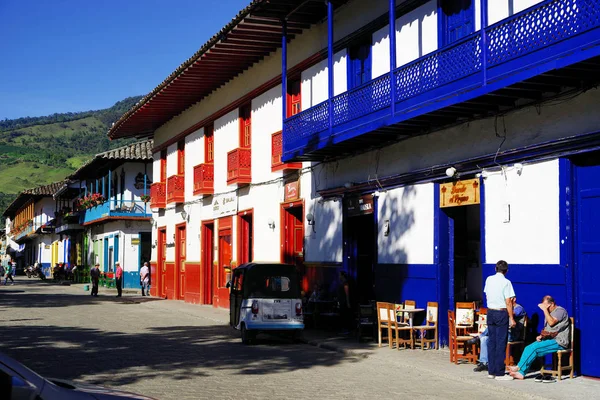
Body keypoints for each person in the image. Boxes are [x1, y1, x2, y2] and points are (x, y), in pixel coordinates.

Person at [508, 295, 570, 381]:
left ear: (552, 304)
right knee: (528, 347)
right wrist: (541, 336)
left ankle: (521, 372)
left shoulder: (560, 311)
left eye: (546, 306)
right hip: (550, 340)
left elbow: (551, 323)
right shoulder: (549, 312)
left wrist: (545, 310)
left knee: (535, 348)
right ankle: (519, 367)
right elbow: (548, 329)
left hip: (559, 341)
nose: (545, 309)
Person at [472, 297, 527, 372]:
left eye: (508, 299)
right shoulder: (505, 308)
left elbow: (512, 313)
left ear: (514, 299)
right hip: (502, 333)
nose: (506, 301)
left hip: (513, 334)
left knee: (495, 325)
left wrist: (499, 312)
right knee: (484, 338)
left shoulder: (519, 308)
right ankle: (484, 363)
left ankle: (479, 336)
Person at [483, 260, 516, 380]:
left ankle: (491, 371)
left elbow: (487, 295)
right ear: (506, 271)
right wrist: (511, 318)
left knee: (492, 341)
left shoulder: (489, 279)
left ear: (495, 269)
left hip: (490, 311)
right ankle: (499, 372)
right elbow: (508, 301)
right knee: (501, 342)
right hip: (501, 312)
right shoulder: (506, 282)